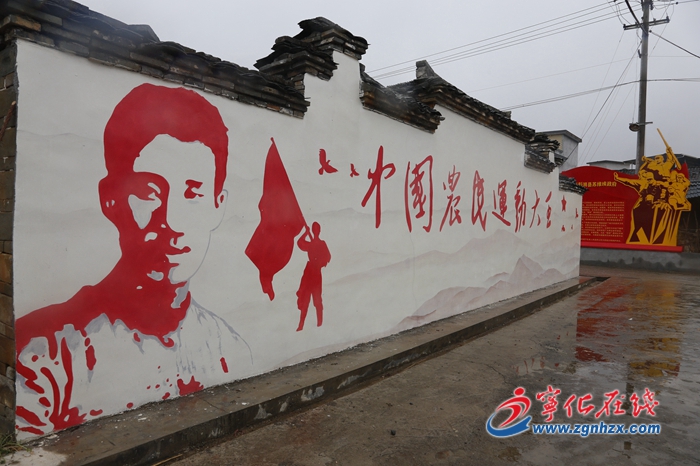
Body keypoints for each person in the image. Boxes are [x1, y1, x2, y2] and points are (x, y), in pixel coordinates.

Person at [14, 83, 251, 438]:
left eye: (194, 193)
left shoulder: (227, 348)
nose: (172, 222)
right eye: (149, 194)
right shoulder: (44, 357)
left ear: (219, 205)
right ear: (110, 201)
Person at [295, 222, 331, 331]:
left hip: (316, 273)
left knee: (317, 300)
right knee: (305, 300)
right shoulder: (310, 244)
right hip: (309, 273)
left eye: (316, 229)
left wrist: (320, 262)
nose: (315, 231)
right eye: (314, 229)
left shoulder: (322, 244)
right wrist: (306, 233)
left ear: (319, 231)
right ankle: (301, 325)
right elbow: (300, 243)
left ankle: (320, 324)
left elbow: (328, 257)